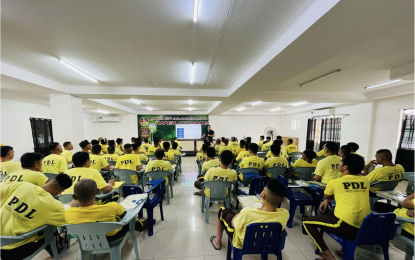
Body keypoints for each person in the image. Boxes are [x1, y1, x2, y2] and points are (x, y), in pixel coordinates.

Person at [303, 154, 370, 260]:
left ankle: (326, 255)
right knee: (330, 211)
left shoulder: (335, 182)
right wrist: (328, 200)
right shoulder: (365, 181)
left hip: (345, 225)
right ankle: (344, 251)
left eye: (341, 162)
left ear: (345, 167)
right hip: (365, 226)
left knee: (307, 222)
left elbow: (327, 196)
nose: (339, 164)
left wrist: (327, 200)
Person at [0, 174, 73, 260]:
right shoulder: (54, 206)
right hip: (14, 251)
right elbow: (71, 222)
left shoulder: (21, 185)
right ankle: (59, 245)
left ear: (48, 180)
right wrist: (72, 204)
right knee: (50, 229)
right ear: (61, 191)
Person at [210, 179, 289, 250]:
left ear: (262, 196)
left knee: (222, 210)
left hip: (244, 243)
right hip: (266, 242)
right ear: (282, 200)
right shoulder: (285, 214)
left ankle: (217, 241)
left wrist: (236, 217)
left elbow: (234, 225)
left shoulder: (247, 212)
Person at [65, 179, 148, 244]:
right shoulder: (111, 207)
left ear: (74, 197)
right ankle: (141, 226)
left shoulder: (69, 213)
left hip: (86, 239)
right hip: (112, 237)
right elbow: (125, 215)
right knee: (129, 219)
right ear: (97, 192)